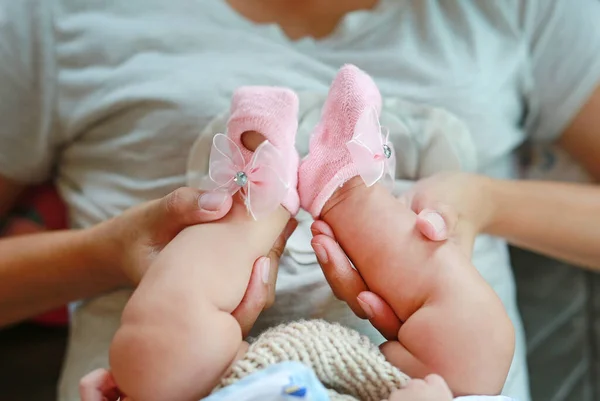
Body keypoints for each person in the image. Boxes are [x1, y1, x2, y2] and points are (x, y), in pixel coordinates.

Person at [1, 1, 600, 400]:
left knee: (474, 347)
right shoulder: (54, 18)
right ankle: (290, 201)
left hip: (344, 381)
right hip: (224, 384)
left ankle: (274, 203)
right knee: (474, 353)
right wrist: (107, 254)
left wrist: (485, 204)